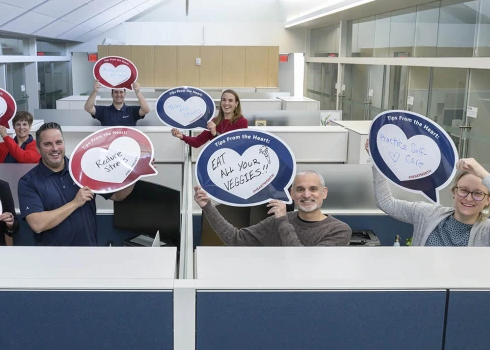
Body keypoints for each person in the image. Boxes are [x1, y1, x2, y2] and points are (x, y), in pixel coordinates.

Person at [18, 122, 134, 246]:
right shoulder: (28, 181)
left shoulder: (85, 169)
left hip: (89, 252)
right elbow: (37, 224)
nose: (55, 148)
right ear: (38, 149)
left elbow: (118, 195)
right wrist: (75, 203)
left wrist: (134, 174)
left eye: (58, 142)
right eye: (47, 144)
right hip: (52, 259)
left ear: (64, 144)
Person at [367, 140, 490, 246]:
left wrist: (483, 173)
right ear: (454, 192)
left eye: (478, 193)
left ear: (488, 200)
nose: (469, 198)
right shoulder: (428, 214)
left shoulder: (486, 230)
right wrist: (378, 161)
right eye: (463, 190)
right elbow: (386, 202)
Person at [194, 170, 352, 246]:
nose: (306, 194)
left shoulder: (338, 230)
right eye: (300, 189)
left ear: (324, 193)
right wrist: (208, 207)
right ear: (292, 194)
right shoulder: (278, 221)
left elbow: (304, 263)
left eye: (313, 189)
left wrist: (283, 222)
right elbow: (236, 239)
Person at [171, 89, 248, 148]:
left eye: (230, 100)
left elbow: (237, 146)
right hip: (217, 163)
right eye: (224, 100)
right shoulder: (214, 122)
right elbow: (198, 142)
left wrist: (215, 134)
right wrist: (181, 136)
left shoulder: (241, 122)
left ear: (236, 104)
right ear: (221, 102)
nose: (226, 103)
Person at [84, 81, 150, 126]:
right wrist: (95, 91)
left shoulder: (132, 110)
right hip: (108, 144)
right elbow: (88, 108)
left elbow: (146, 110)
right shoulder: (103, 111)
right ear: (112, 94)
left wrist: (138, 92)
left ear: (125, 94)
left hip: (128, 144)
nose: (119, 95)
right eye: (116, 92)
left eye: (121, 92)